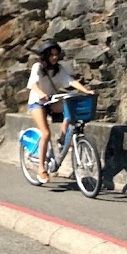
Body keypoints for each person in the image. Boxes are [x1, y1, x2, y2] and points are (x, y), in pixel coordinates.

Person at [27, 39, 94, 183]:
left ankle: (63, 138)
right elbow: (32, 84)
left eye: (56, 54)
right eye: (51, 55)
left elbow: (71, 82)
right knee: (45, 133)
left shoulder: (59, 69)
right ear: (45, 56)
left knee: (69, 108)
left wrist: (86, 91)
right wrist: (40, 93)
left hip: (52, 101)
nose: (54, 57)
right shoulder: (37, 67)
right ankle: (41, 170)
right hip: (37, 103)